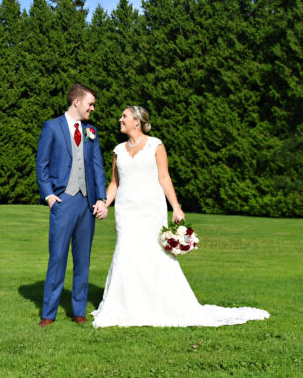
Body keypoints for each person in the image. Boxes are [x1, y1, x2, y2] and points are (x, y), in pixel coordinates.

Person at [91, 105, 269, 327]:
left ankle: (157, 305)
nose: (120, 119)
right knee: (126, 253)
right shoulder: (118, 150)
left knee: (153, 255)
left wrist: (175, 206)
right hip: (126, 212)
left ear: (136, 121)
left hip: (150, 210)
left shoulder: (156, 145)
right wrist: (104, 204)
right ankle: (126, 306)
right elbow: (115, 183)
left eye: (124, 116)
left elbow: (164, 177)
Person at [35, 83, 108, 327]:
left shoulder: (91, 132)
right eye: (90, 103)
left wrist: (100, 198)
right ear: (76, 102)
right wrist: (49, 195)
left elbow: (97, 167)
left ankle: (78, 310)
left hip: (87, 204)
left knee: (83, 259)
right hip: (63, 202)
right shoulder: (52, 127)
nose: (93, 108)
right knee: (57, 258)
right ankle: (48, 313)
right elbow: (41, 165)